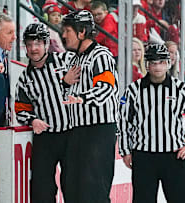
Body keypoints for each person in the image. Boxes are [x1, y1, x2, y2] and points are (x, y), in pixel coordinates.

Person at [118, 43, 185, 203]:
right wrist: (125, 151)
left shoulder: (180, 89)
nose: (157, 67)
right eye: (153, 62)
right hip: (143, 156)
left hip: (173, 157)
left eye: (161, 62)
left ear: (168, 63)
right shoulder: (133, 90)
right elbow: (124, 122)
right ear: (146, 65)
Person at [14, 23, 79, 202]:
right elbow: (20, 108)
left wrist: (67, 84)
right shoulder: (25, 78)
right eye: (29, 44)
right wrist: (32, 120)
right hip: (46, 137)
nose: (33, 48)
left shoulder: (66, 61)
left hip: (71, 134)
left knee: (73, 185)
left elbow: (87, 85)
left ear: (46, 44)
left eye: (37, 43)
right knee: (41, 189)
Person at [60, 10, 119, 203]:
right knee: (72, 187)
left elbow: (106, 88)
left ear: (82, 32)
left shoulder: (101, 55)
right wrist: (65, 84)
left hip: (99, 131)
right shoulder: (75, 58)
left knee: (93, 189)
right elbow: (64, 93)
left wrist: (82, 98)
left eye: (67, 30)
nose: (63, 35)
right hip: (77, 131)